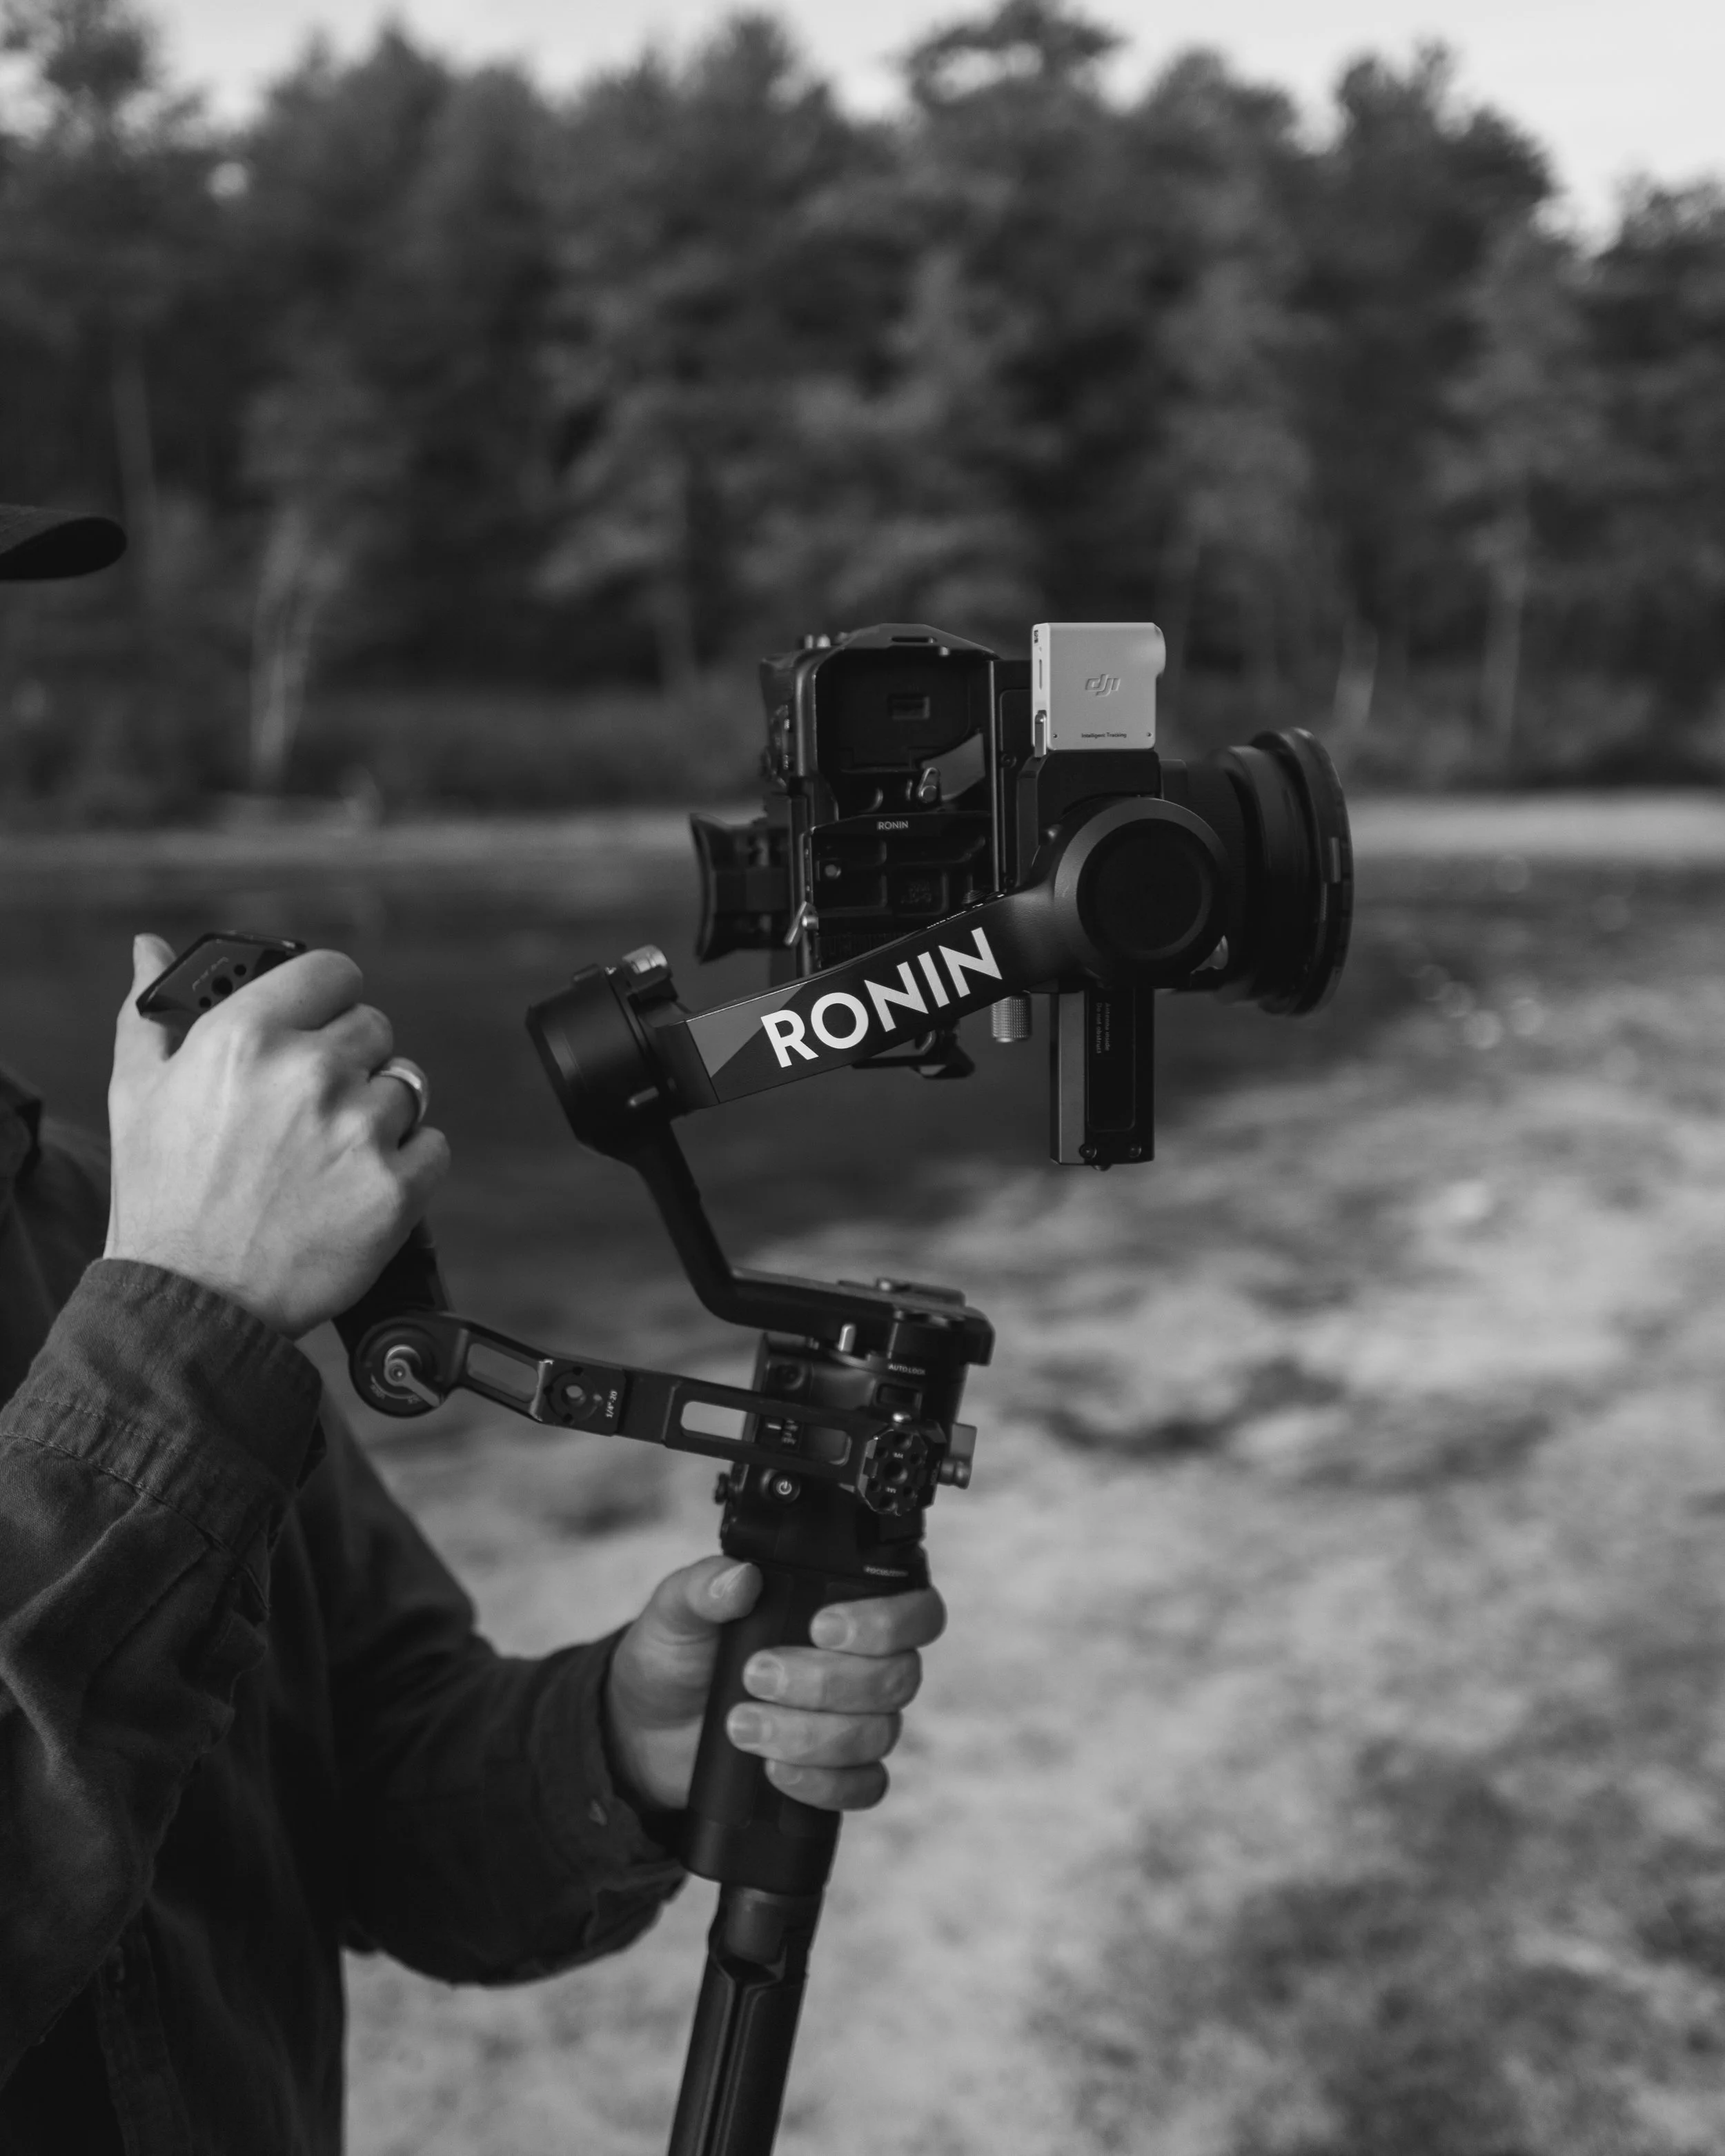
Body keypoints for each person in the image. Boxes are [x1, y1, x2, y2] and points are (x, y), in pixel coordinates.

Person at [0, 503, 945, 2153]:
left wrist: (619, 1741)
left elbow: (370, 1775)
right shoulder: (160, 1269)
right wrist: (187, 1315)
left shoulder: (87, 1218)